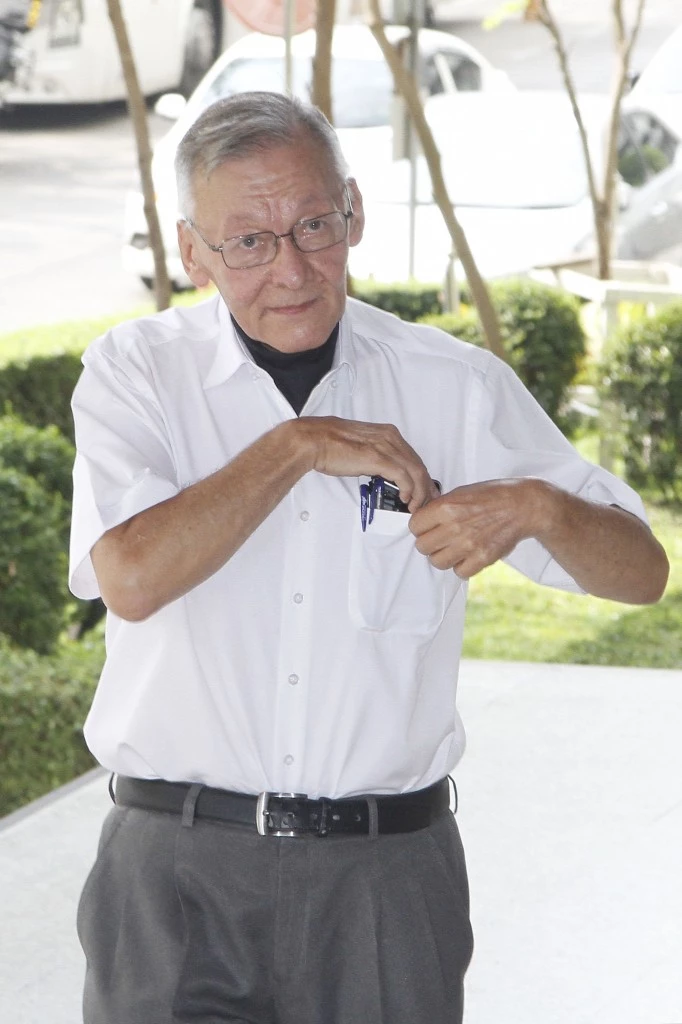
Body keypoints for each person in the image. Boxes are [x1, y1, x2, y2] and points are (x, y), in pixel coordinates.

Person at [69, 91, 669, 1024]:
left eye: (313, 225)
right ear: (192, 252)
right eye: (249, 242)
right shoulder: (136, 372)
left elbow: (643, 574)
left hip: (387, 880)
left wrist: (541, 507)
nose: (292, 267)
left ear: (353, 211)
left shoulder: (451, 383)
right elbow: (132, 578)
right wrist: (297, 446)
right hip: (174, 876)